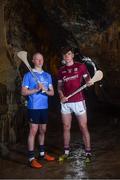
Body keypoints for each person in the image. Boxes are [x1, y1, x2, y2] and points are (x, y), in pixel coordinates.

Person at [57, 46, 93, 160]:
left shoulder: (80, 66)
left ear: (72, 55)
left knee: (83, 126)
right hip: (66, 103)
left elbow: (88, 78)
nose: (67, 56)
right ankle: (66, 152)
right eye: (65, 55)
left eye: (68, 54)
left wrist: (89, 82)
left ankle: (88, 153)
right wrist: (62, 96)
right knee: (66, 126)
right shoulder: (61, 71)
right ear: (63, 57)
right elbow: (59, 87)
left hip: (78, 101)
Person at [21, 52, 55, 169]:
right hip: (33, 107)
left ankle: (41, 154)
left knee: (43, 130)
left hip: (44, 107)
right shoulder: (28, 75)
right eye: (37, 59)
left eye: (41, 59)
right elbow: (23, 92)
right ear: (33, 61)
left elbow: (52, 93)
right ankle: (31, 158)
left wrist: (45, 90)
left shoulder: (47, 75)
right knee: (33, 131)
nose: (40, 61)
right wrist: (36, 90)